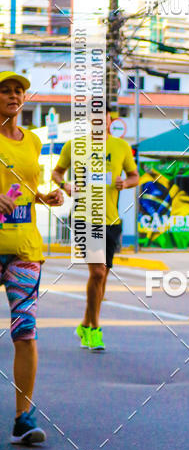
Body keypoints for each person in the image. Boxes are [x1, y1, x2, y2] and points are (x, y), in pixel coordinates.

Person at [0, 71, 64, 444]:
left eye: (18, 91)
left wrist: (44, 197)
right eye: (6, 91)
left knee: (24, 332)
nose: (13, 96)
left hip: (24, 246)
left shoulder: (34, 141)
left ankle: (24, 416)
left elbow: (22, 188)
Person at [52, 110, 139, 352]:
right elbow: (56, 173)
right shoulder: (74, 146)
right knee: (98, 273)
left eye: (105, 117)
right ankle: (94, 330)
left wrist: (126, 183)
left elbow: (135, 176)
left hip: (111, 220)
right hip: (84, 217)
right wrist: (65, 185)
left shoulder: (121, 146)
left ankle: (84, 324)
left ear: (111, 121)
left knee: (102, 277)